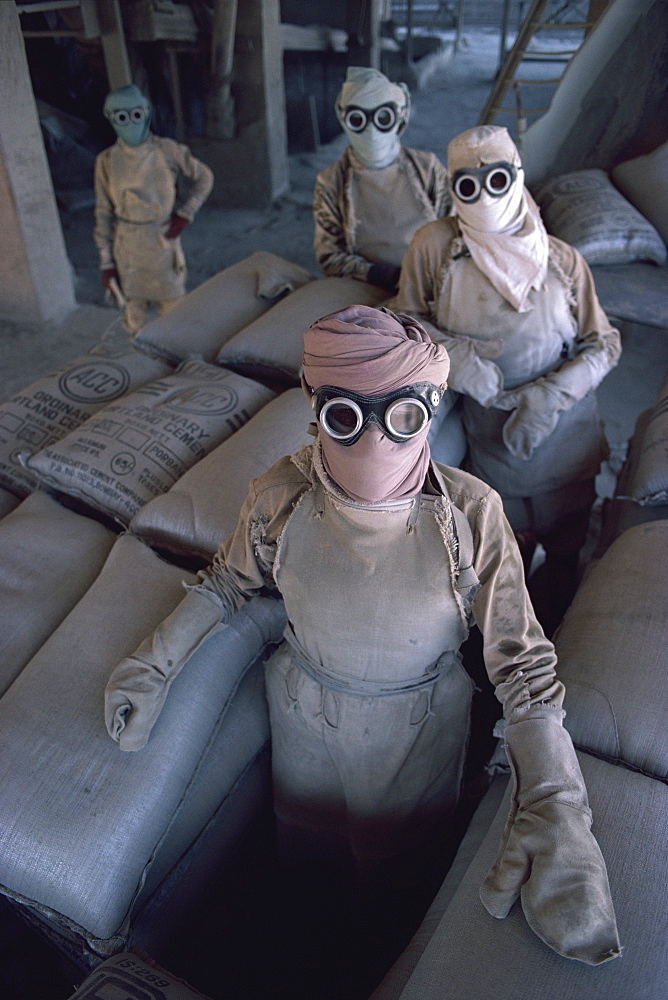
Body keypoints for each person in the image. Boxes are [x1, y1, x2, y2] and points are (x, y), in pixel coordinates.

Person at [104, 305, 619, 972]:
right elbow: (227, 582)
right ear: (314, 405)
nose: (375, 441)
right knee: (311, 860)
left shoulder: (471, 515)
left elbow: (520, 663)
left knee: (399, 872)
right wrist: (154, 663)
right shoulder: (278, 498)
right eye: (345, 417)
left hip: (420, 729)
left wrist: (555, 797)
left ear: (432, 407)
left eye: (403, 416)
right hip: (306, 721)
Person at [391, 125, 621, 630]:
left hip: (566, 435)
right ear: (452, 190)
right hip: (494, 441)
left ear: (517, 177)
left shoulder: (562, 260)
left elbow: (604, 343)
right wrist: (456, 357)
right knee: (502, 563)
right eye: (467, 186)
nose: (485, 198)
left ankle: (558, 626)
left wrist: (551, 396)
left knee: (565, 555)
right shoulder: (435, 247)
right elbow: (404, 318)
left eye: (496, 179)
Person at [313, 67, 450, 294]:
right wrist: (378, 275)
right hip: (363, 285)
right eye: (358, 119)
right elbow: (328, 254)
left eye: (382, 117)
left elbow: (453, 231)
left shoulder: (428, 168)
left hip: (430, 280)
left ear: (399, 116)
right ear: (343, 119)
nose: (371, 130)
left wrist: (430, 275)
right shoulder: (330, 182)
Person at [94, 84, 214, 334]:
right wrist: (106, 263)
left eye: (135, 114)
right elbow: (103, 212)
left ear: (146, 113)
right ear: (110, 117)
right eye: (120, 116)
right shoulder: (106, 161)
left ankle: (173, 365)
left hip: (162, 239)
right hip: (127, 246)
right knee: (134, 316)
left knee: (173, 315)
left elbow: (204, 177)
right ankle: (142, 364)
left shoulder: (167, 150)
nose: (129, 122)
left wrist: (186, 212)